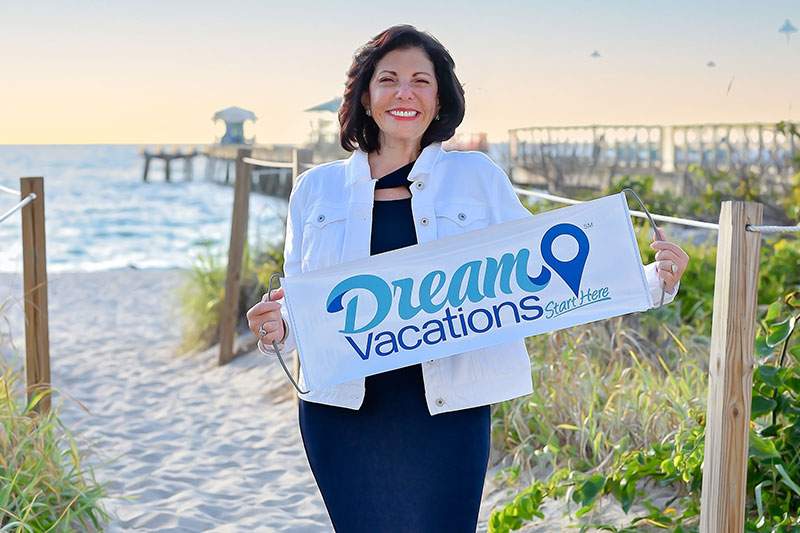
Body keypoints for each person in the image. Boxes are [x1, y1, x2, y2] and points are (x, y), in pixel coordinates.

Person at [246, 24, 689, 533]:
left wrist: (653, 278)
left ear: (440, 100)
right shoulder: (314, 191)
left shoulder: (476, 177)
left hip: (448, 407)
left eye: (421, 81)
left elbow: (541, 272)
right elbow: (300, 304)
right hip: (343, 412)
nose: (404, 93)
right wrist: (273, 326)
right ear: (366, 96)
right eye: (388, 80)